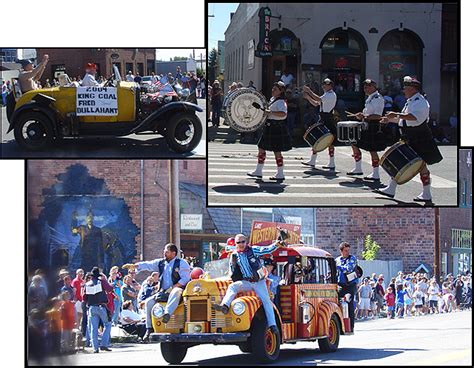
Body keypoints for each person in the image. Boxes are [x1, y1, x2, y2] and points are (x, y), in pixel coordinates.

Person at [377, 76, 443, 201]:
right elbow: (404, 119)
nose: (404, 90)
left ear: (413, 89)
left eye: (406, 88)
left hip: (419, 136)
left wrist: (395, 114)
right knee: (404, 161)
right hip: (409, 135)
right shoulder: (411, 101)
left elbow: (413, 117)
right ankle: (392, 189)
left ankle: (426, 193)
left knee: (420, 165)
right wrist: (390, 119)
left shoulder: (420, 101)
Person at [211, 233, 284, 335]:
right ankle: (225, 306)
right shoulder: (234, 255)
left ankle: (273, 325)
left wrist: (276, 244)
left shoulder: (253, 250)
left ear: (246, 242)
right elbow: (232, 271)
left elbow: (267, 249)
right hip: (246, 281)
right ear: (235, 244)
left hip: (258, 282)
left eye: (243, 242)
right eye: (238, 242)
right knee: (232, 286)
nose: (241, 244)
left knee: (266, 301)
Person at [122, 243, 191, 342]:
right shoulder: (161, 263)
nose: (164, 253)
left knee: (175, 292)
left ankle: (167, 313)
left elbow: (185, 278)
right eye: (164, 251)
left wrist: (173, 287)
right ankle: (149, 329)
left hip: (178, 290)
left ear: (173, 253)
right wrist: (135, 265)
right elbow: (149, 264)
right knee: (149, 302)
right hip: (163, 292)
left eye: (166, 252)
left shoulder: (181, 263)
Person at [247, 81, 292, 181]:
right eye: (273, 88)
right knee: (261, 147)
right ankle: (259, 171)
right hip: (270, 126)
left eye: (275, 89)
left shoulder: (281, 102)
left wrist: (270, 112)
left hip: (276, 127)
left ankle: (280, 173)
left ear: (281, 91)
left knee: (277, 151)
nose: (273, 90)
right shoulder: (273, 99)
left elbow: (283, 114)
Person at [347, 79, 385, 180]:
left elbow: (378, 116)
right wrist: (362, 116)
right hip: (366, 124)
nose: (365, 88)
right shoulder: (370, 98)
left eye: (368, 86)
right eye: (364, 87)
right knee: (354, 143)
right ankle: (358, 168)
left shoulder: (377, 98)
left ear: (374, 87)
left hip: (373, 125)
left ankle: (376, 174)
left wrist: (364, 116)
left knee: (372, 149)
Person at [301, 78, 338, 169]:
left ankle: (332, 162)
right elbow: (316, 103)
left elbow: (318, 99)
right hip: (323, 118)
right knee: (317, 139)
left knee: (330, 142)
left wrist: (309, 91)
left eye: (326, 84)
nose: (324, 86)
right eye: (324, 84)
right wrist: (308, 97)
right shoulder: (326, 94)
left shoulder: (331, 95)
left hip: (328, 119)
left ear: (331, 86)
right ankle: (313, 160)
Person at [82, 266, 113, 353]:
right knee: (108, 324)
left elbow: (84, 298)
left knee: (93, 328)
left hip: (92, 307)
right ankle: (104, 344)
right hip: (101, 306)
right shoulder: (101, 282)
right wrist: (105, 280)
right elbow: (110, 289)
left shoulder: (87, 284)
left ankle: (95, 348)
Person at [335, 241, 360, 331]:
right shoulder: (337, 260)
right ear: (341, 251)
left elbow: (348, 269)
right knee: (336, 303)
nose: (347, 252)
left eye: (348, 250)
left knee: (349, 302)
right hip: (340, 285)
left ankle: (350, 326)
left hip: (350, 285)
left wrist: (337, 267)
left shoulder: (352, 258)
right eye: (345, 250)